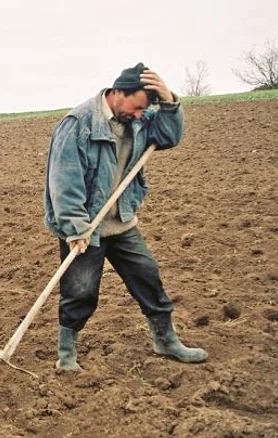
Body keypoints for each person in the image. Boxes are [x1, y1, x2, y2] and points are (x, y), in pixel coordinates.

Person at [43, 62, 208, 371]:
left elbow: (169, 136)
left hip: (121, 221)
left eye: (144, 109)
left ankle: (165, 340)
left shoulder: (140, 120)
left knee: (148, 277)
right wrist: (76, 228)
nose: (139, 114)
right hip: (85, 225)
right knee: (80, 290)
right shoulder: (78, 123)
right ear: (118, 92)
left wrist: (169, 101)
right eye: (136, 106)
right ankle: (67, 355)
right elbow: (64, 183)